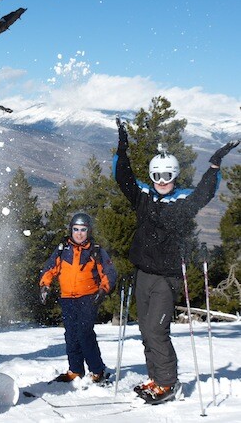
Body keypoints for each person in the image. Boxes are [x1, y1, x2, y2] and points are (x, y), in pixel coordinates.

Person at [114, 117, 239, 404]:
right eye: (157, 177)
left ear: (174, 176)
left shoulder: (183, 201)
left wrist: (214, 166)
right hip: (143, 273)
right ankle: (156, 378)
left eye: (167, 177)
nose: (161, 183)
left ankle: (168, 384)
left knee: (157, 330)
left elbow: (204, 193)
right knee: (145, 330)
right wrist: (122, 147)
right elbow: (124, 178)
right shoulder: (143, 196)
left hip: (166, 275)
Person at [39, 213, 117, 384]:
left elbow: (109, 273)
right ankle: (75, 369)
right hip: (67, 298)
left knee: (84, 333)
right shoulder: (62, 250)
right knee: (71, 334)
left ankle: (97, 370)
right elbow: (50, 268)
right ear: (71, 230)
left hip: (88, 297)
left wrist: (103, 290)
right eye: (76, 229)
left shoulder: (95, 251)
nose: (79, 233)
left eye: (83, 230)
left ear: (88, 231)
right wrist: (45, 285)